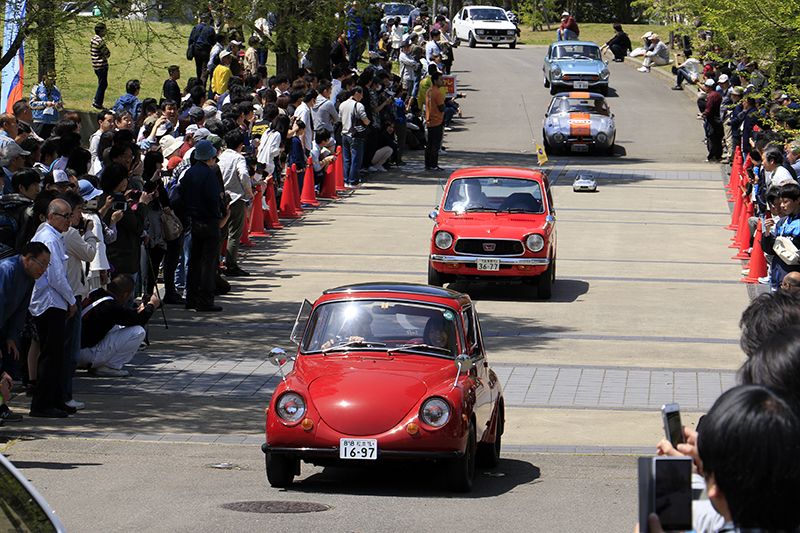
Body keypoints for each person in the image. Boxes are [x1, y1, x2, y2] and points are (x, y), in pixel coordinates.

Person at [29, 199, 77, 418]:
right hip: (49, 302)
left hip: (54, 301)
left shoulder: (56, 237)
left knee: (56, 355)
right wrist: (72, 300)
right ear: (51, 216)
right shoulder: (48, 237)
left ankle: (56, 399)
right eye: (64, 216)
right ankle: (42, 404)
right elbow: (56, 276)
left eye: (70, 215)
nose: (69, 220)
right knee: (50, 355)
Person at [0, 242, 50, 423]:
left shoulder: (30, 277)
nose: (44, 269)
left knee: (11, 361)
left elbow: (21, 309)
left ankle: (2, 406)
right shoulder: (7, 270)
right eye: (42, 263)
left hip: (5, 325)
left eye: (47, 265)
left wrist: (12, 337)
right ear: (28, 259)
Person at [80, 273, 160, 377]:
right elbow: (139, 321)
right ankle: (110, 366)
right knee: (138, 332)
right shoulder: (112, 307)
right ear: (124, 295)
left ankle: (83, 362)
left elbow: (126, 316)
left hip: (74, 349)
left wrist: (137, 311)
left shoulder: (96, 293)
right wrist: (151, 305)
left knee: (118, 326)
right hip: (86, 355)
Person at [179, 140, 227, 312]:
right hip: (209, 221)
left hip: (193, 220)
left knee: (194, 260)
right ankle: (206, 300)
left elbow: (182, 194)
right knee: (208, 262)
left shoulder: (189, 173)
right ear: (209, 157)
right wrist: (220, 202)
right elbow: (214, 198)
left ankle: (191, 298)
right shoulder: (209, 174)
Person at [218, 128, 253, 277]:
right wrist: (249, 191)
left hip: (221, 199)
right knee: (234, 233)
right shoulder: (239, 158)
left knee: (221, 233)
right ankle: (231, 264)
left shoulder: (220, 157)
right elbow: (244, 174)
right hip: (236, 199)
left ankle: (216, 262)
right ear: (240, 145)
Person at [339, 87, 370, 188]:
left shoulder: (342, 104)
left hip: (344, 134)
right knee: (356, 159)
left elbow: (340, 118)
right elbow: (364, 119)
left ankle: (345, 180)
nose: (362, 97)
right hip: (355, 135)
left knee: (346, 159)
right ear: (356, 93)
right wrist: (369, 123)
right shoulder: (358, 105)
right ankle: (354, 181)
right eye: (361, 94)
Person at [29, 71, 63, 139]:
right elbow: (32, 104)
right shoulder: (37, 88)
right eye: (50, 78)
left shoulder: (56, 90)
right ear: (44, 77)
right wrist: (45, 104)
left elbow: (61, 107)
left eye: (53, 79)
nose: (51, 81)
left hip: (53, 121)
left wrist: (58, 105)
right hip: (40, 120)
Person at [425, 71, 446, 172]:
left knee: (429, 144)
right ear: (435, 81)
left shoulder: (429, 91)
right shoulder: (438, 93)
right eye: (440, 79)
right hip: (437, 120)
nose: (442, 81)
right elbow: (441, 108)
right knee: (435, 145)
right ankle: (434, 164)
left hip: (429, 120)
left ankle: (428, 163)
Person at [188, 15, 216, 81]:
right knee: (204, 68)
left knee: (198, 67)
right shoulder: (210, 29)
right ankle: (203, 84)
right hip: (206, 50)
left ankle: (198, 81)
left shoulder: (196, 28)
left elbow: (191, 40)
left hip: (196, 49)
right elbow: (213, 41)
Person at [701, 78, 724, 163]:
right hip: (719, 118)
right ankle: (718, 155)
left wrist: (704, 114)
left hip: (712, 119)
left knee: (712, 138)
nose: (705, 88)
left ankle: (712, 156)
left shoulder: (711, 96)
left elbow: (709, 108)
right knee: (718, 138)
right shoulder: (718, 94)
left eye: (706, 86)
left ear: (709, 87)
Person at [90, 22, 110, 110]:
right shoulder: (100, 41)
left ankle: (97, 100)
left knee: (102, 83)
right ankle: (98, 103)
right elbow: (107, 53)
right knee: (103, 84)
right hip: (101, 65)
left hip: (95, 65)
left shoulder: (93, 39)